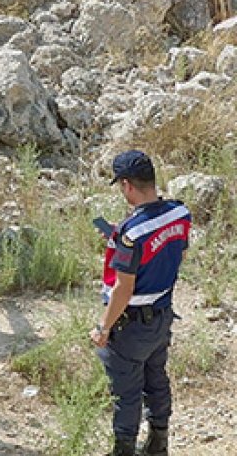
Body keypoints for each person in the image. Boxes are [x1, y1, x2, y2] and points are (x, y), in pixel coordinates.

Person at [91, 150, 190, 456]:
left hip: (131, 324)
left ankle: (124, 450)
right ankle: (158, 445)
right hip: (161, 315)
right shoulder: (179, 213)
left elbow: (123, 288)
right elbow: (175, 252)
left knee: (127, 391)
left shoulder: (131, 233)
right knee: (156, 378)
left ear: (127, 185)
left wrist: (103, 328)